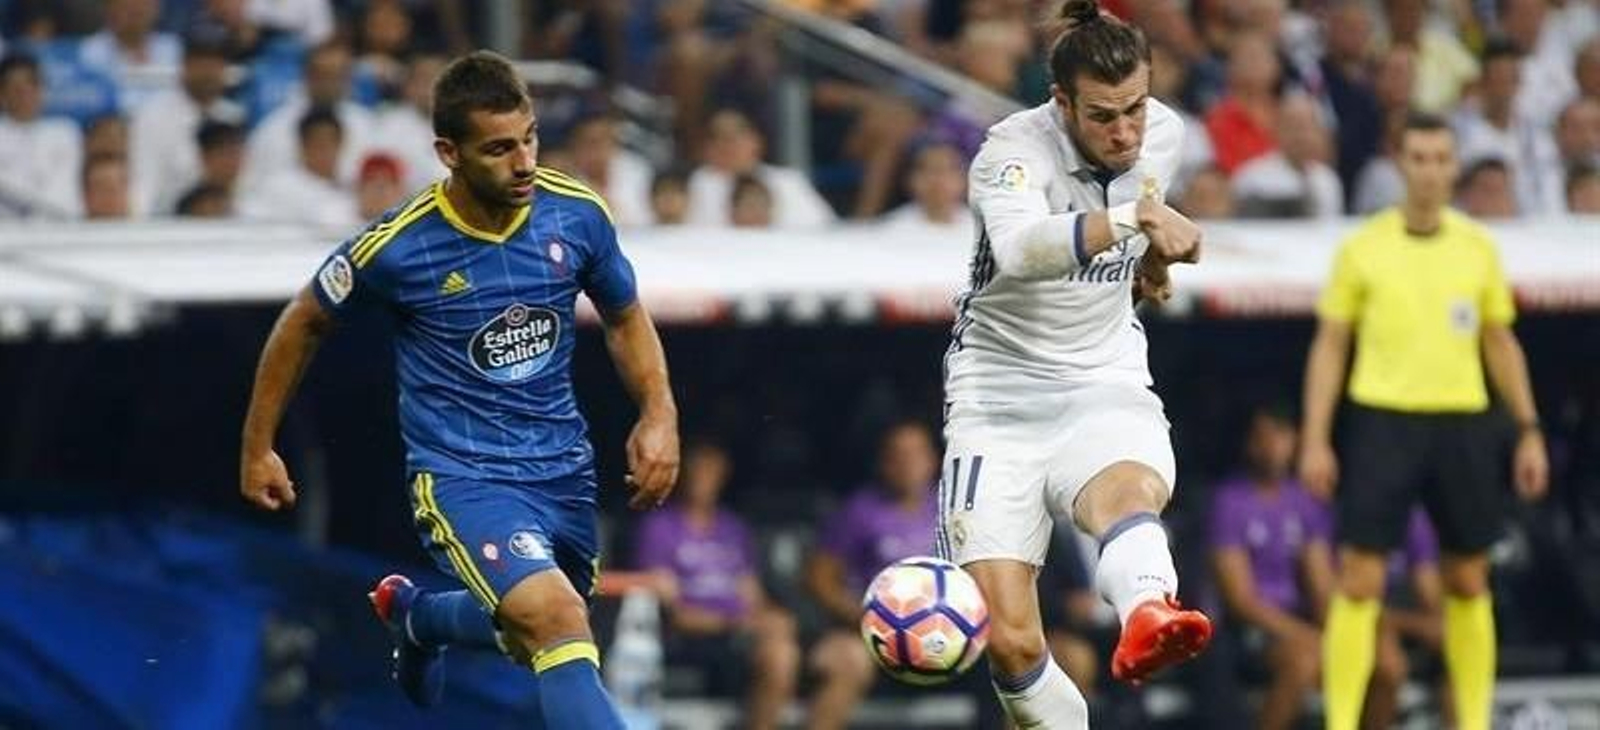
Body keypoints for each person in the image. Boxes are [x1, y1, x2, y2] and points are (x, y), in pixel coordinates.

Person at [238, 51, 679, 728]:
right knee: (557, 621)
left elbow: (624, 315)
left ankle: (420, 619)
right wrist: (259, 444)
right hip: (462, 476)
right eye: (499, 148)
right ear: (449, 152)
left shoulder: (576, 214)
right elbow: (304, 322)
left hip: (562, 468)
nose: (524, 161)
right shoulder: (399, 247)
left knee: (532, 629)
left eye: (529, 137)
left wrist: (657, 413)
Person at [937, 3, 1209, 728]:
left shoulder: (1165, 136)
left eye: (1135, 110)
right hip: (997, 398)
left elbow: (1137, 207)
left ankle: (1150, 608)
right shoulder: (1008, 153)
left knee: (1127, 496)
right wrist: (1139, 225)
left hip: (1104, 378)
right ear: (1061, 104)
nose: (1125, 133)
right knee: (1010, 639)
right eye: (1102, 116)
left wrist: (1147, 262)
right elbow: (1024, 251)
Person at [1299, 112, 1549, 730]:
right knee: (1359, 578)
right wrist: (1315, 438)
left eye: (1442, 159)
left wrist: (1528, 429)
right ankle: (1341, 721)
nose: (1431, 171)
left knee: (1467, 578)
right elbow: (1331, 344)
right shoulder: (1363, 247)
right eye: (1419, 158)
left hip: (1463, 423)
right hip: (1383, 421)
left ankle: (1472, 720)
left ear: (1454, 166)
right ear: (1400, 162)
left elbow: (1499, 341)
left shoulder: (1477, 247)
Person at [633, 440, 799, 730]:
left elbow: (751, 594)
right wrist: (735, 623)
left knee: (782, 641)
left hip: (739, 640)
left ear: (723, 478)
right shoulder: (660, 527)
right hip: (693, 639)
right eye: (698, 471)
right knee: (780, 655)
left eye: (712, 472)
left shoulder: (733, 528)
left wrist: (773, 618)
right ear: (681, 474)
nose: (703, 479)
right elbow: (674, 613)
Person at [803, 420, 940, 730]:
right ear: (884, 463)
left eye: (916, 454)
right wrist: (867, 617)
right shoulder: (858, 511)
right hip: (876, 644)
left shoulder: (950, 509)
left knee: (1009, 659)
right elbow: (819, 578)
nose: (908, 464)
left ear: (933, 459)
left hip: (945, 640)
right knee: (845, 660)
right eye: (898, 455)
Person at [1208, 405, 1338, 730]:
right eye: (1265, 437)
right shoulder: (1229, 501)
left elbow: (1321, 584)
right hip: (1250, 632)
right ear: (1250, 444)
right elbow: (1241, 601)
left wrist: (1339, 633)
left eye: (1282, 435)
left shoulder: (1304, 500)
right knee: (1303, 659)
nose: (1274, 446)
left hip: (1301, 621)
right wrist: (1308, 635)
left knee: (1379, 660)